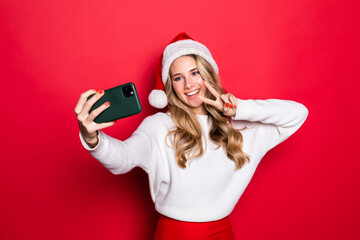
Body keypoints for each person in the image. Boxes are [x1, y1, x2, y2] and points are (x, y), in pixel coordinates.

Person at [74, 32, 308, 240]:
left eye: (195, 72)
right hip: (174, 235)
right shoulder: (158, 126)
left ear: (208, 74)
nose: (188, 84)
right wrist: (93, 138)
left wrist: (238, 109)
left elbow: (297, 113)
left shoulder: (241, 127)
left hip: (222, 233)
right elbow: (123, 159)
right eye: (178, 78)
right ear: (170, 86)